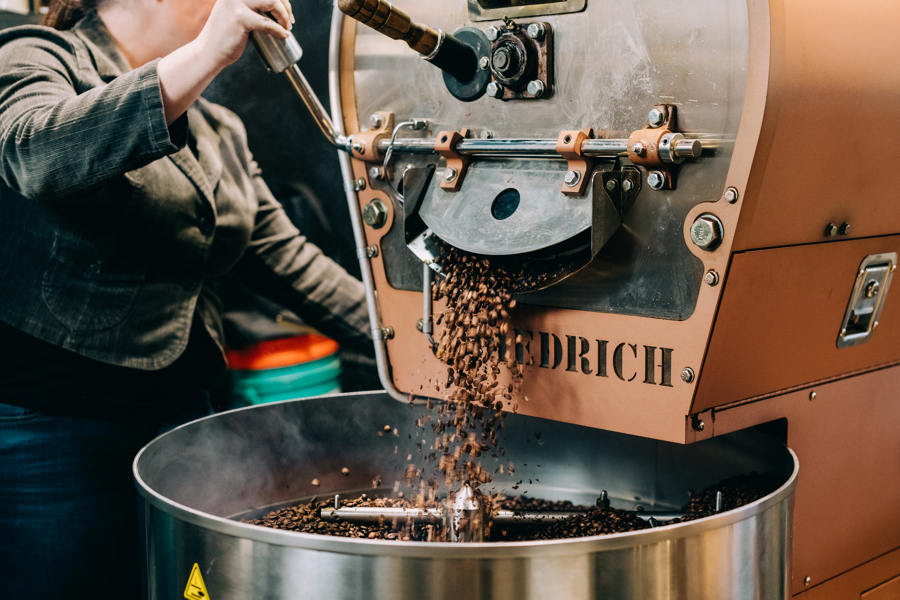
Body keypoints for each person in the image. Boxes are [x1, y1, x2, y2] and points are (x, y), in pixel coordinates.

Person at [0, 0, 372, 597]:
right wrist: (201, 57)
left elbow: (289, 261)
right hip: (54, 431)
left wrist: (412, 342)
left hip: (179, 427)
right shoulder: (39, 55)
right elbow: (34, 155)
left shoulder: (218, 130)